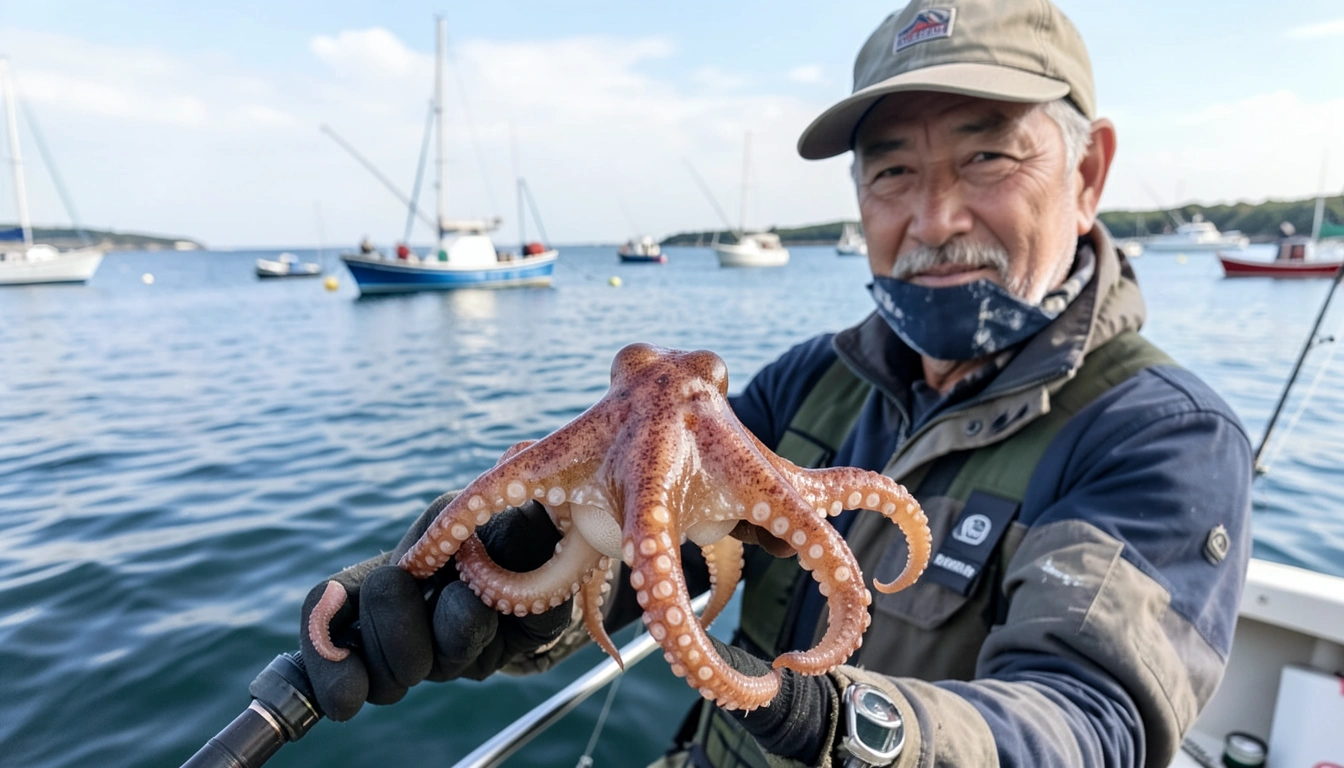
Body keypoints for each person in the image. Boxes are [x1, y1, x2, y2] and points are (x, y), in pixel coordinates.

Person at [299, 1, 1252, 765]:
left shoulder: (1162, 436)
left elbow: (1090, 721)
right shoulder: (812, 381)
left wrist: (846, 725)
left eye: (987, 156)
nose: (933, 217)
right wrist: (510, 600)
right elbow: (655, 552)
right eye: (892, 171)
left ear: (1088, 173)